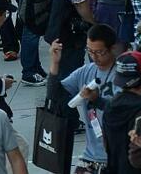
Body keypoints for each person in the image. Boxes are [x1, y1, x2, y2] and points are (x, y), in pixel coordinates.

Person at [46, 24, 118, 173]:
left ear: (112, 48)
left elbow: (123, 112)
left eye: (99, 52)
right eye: (90, 51)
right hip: (91, 156)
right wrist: (55, 63)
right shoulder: (86, 71)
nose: (94, 57)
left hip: (116, 156)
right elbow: (55, 95)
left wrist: (97, 100)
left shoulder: (121, 75)